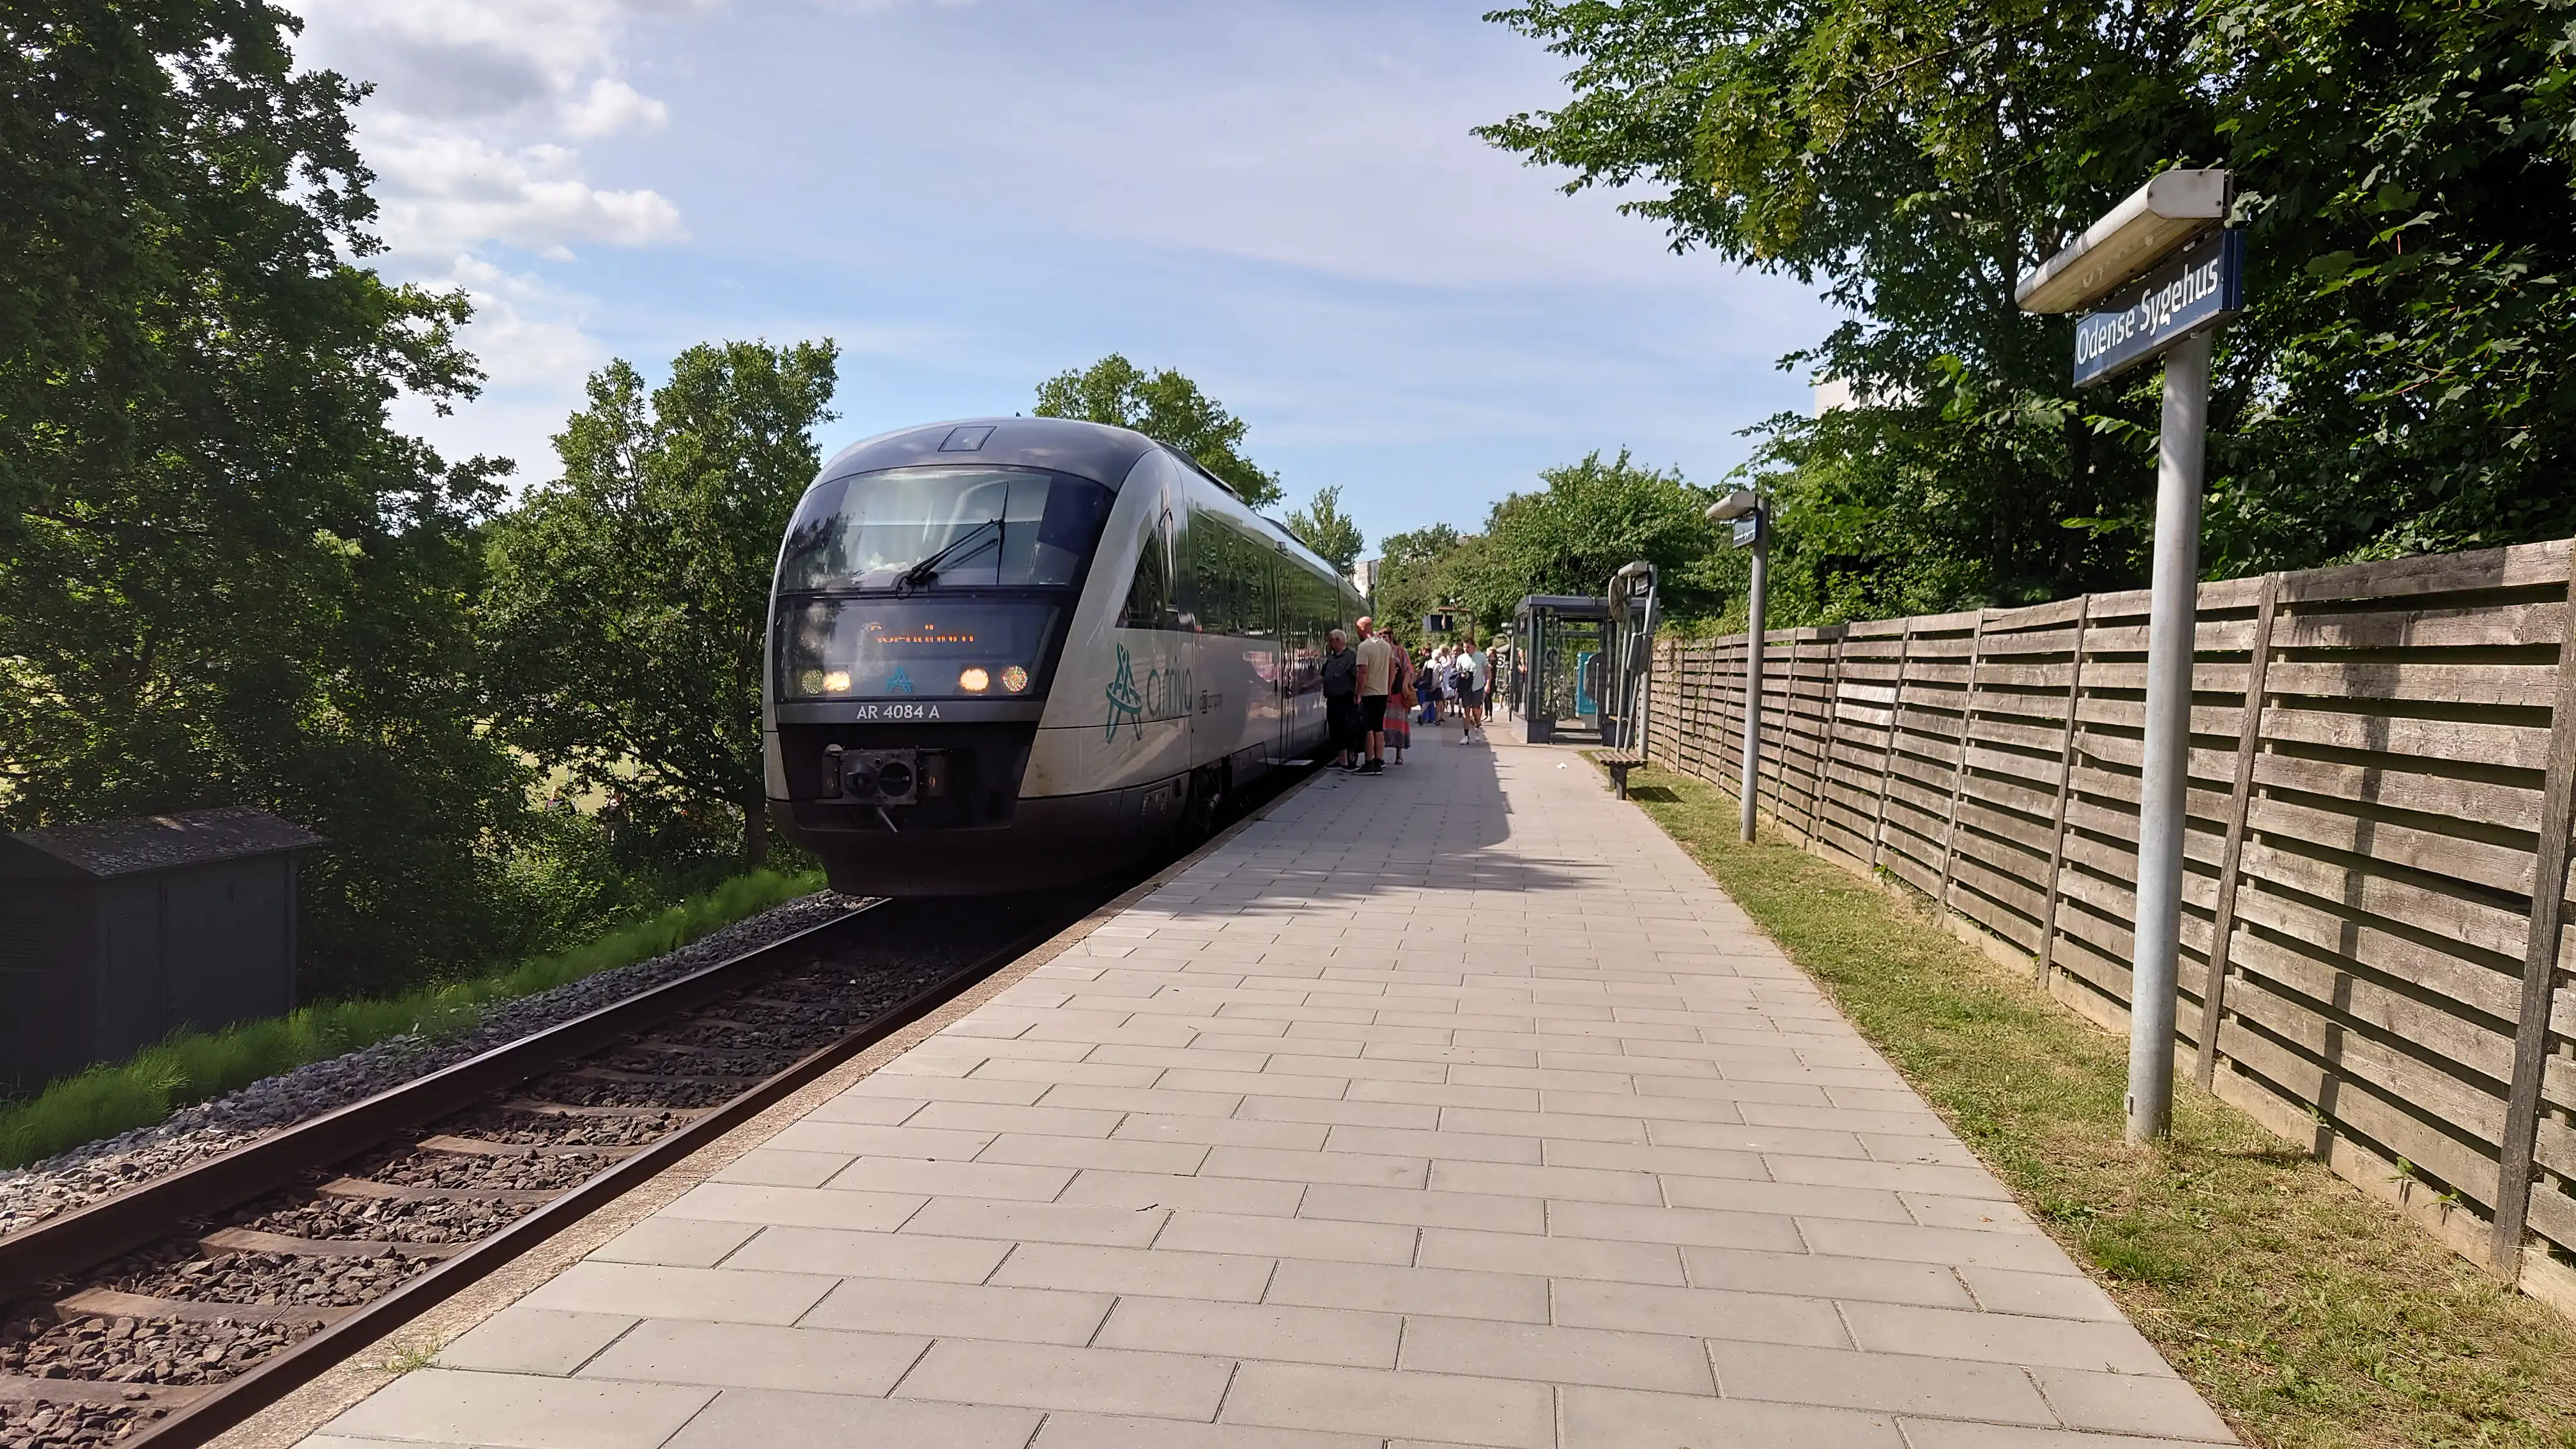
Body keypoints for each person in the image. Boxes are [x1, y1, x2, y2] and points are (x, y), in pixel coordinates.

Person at [1353, 617, 1394, 776]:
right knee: (1378, 727)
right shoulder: (1386, 646)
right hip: (1383, 692)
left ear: (1364, 629)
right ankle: (1379, 759)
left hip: (1369, 692)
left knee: (1368, 728)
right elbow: (1392, 669)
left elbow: (1363, 672)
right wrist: (1388, 688)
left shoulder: (1364, 648)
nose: (1357, 631)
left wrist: (1358, 693)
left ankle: (1369, 762)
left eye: (1358, 628)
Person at [1321, 628, 1359, 769]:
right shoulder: (1331, 658)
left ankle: (1351, 760)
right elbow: (1323, 675)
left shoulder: (1351, 656)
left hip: (1346, 699)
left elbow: (1358, 676)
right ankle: (1342, 760)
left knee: (1347, 729)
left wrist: (1358, 694)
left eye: (1330, 641)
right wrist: (1307, 685)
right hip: (1333, 699)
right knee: (1335, 729)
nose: (1329, 644)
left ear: (1337, 640)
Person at [1384, 634, 1414, 764]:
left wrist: (1405, 686)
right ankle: (1379, 755)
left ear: (1390, 637)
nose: (1382, 639)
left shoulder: (1400, 652)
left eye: (1384, 636)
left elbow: (1409, 669)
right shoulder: (1380, 651)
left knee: (1400, 722)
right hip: (1383, 692)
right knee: (1382, 724)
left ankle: (1399, 754)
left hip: (1398, 693)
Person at [1459, 639, 1490, 742]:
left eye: (1468, 647)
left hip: (1478, 687)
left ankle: (1477, 726)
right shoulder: (1461, 658)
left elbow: (1488, 672)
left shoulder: (1481, 657)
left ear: (1473, 647)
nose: (1466, 649)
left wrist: (1488, 684)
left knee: (1476, 711)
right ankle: (1466, 735)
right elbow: (1457, 673)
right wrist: (1462, 675)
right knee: (1466, 711)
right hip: (1466, 688)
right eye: (1464, 647)